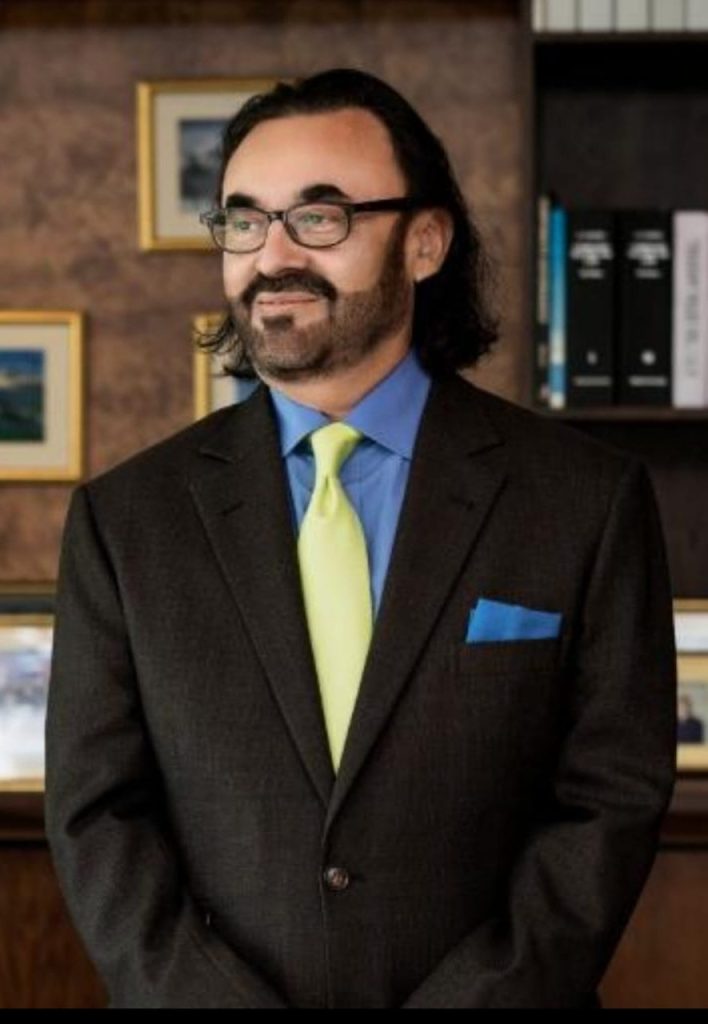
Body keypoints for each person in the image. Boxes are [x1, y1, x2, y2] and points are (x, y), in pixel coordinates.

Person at [45, 69, 677, 1009]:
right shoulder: (125, 520)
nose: (272, 256)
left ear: (424, 242)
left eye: (320, 217)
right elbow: (99, 819)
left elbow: (609, 803)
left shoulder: (585, 499)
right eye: (244, 221)